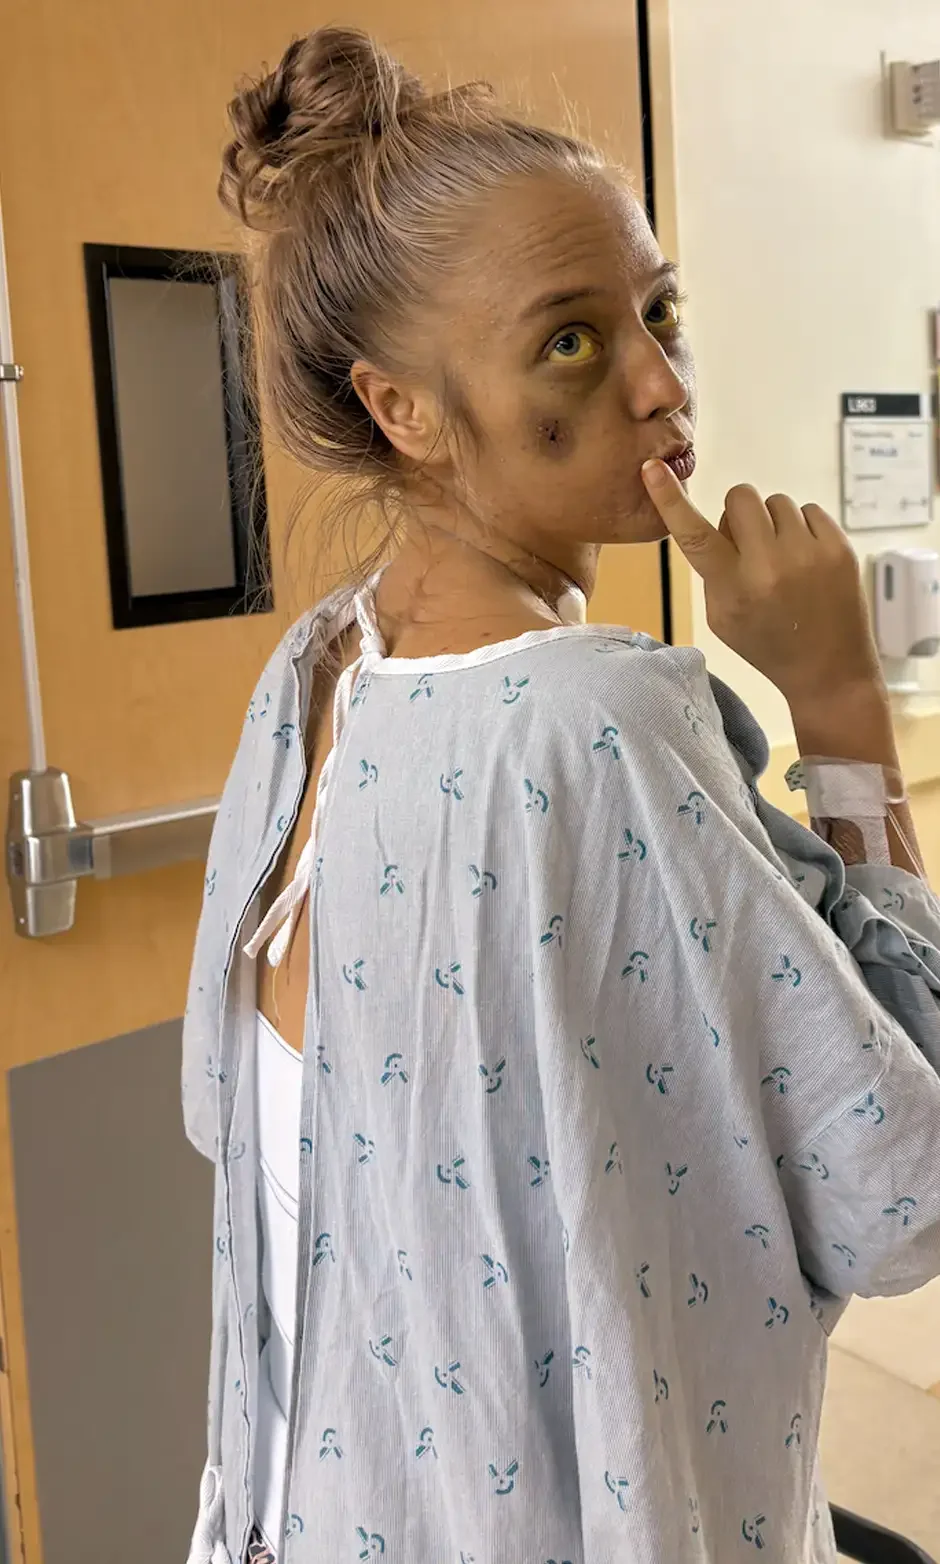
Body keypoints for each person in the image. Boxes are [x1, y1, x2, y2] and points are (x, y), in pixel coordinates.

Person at [182, 26, 940, 1564]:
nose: (661, 382)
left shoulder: (311, 677)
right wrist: (841, 705)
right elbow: (905, 1189)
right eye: (573, 343)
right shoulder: (603, 722)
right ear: (402, 408)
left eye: (660, 311)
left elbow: (233, 1118)